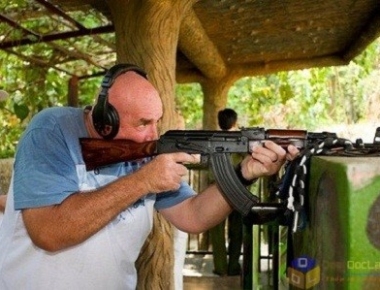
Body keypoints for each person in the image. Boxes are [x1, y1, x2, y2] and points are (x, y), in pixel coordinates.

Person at [0, 63, 299, 290]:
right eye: (143, 123)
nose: (153, 135)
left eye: (156, 122)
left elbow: (193, 216)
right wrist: (143, 181)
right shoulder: (52, 131)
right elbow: (49, 233)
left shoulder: (142, 155)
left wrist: (244, 174)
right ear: (106, 120)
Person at [210, 108, 244, 276]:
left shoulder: (212, 140)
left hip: (215, 190)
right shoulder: (241, 141)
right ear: (235, 122)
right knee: (237, 231)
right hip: (238, 190)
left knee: (216, 231)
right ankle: (233, 266)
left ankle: (220, 267)